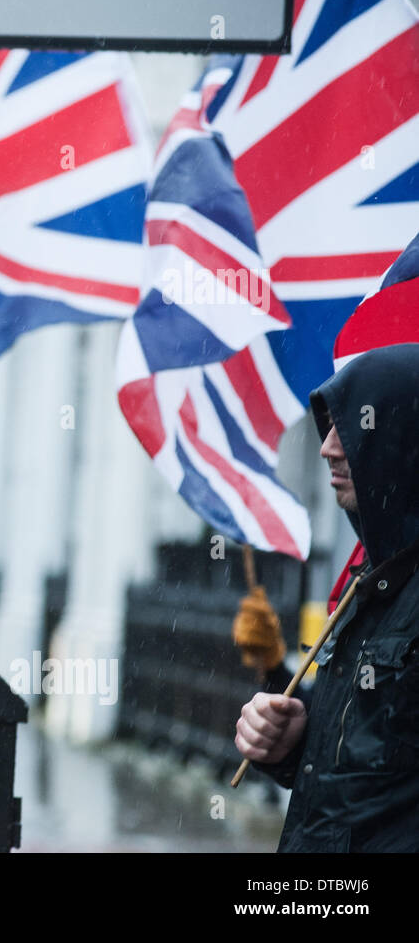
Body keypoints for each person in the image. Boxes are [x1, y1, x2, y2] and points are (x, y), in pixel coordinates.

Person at [234, 343, 419, 852]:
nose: (327, 447)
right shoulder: (371, 577)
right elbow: (368, 770)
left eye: (351, 427)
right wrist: (294, 740)